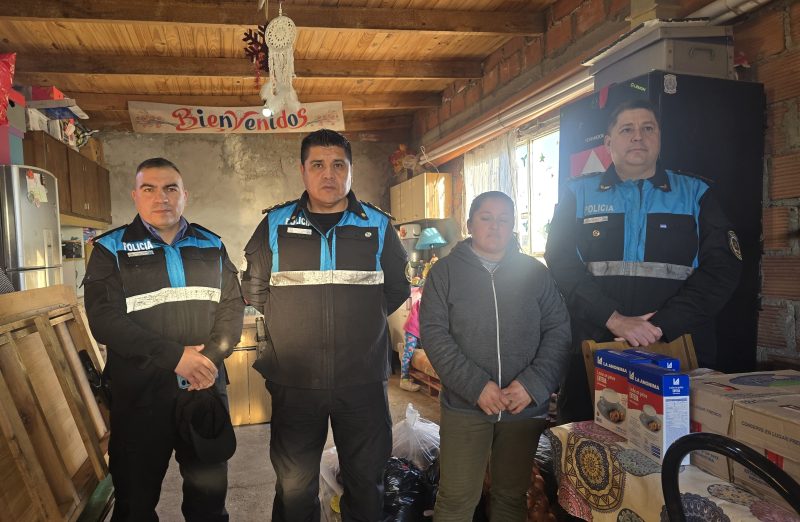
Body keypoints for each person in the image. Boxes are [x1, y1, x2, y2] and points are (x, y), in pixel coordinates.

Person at [241, 129, 409, 521]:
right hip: (295, 381)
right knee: (294, 487)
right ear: (303, 170)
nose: (328, 174)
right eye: (317, 164)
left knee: (366, 482)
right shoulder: (275, 224)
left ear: (351, 170)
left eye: (338, 165)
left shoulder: (378, 224)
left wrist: (359, 324)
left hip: (361, 380)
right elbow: (255, 289)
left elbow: (396, 289)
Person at [544, 98, 742, 422]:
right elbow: (561, 262)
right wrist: (614, 319)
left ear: (659, 138)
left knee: (671, 444)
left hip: (676, 351)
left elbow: (722, 270)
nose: (638, 136)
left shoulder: (696, 194)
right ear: (608, 142)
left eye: (648, 128)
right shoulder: (578, 194)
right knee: (585, 441)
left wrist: (661, 325)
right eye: (627, 129)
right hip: (595, 347)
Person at [83, 158, 244, 522]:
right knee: (135, 506)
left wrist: (209, 359)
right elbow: (104, 321)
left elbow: (232, 308)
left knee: (209, 504)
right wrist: (175, 358)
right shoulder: (110, 249)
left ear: (185, 195)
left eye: (171, 188)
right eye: (149, 189)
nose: (162, 198)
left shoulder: (211, 244)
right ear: (135, 196)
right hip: (140, 397)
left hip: (204, 390)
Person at [420, 191, 571, 521]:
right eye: (486, 217)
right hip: (465, 406)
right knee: (456, 499)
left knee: (511, 497)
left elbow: (559, 330)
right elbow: (433, 334)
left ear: (513, 225)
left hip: (523, 408)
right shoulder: (444, 273)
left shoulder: (536, 273)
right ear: (470, 223)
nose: (495, 226)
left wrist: (533, 384)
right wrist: (475, 386)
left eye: (504, 219)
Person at [399, 286, 423, 392]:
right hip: (412, 331)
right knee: (408, 354)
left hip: (417, 330)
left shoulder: (423, 300)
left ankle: (403, 349)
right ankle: (404, 380)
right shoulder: (422, 302)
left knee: (416, 348)